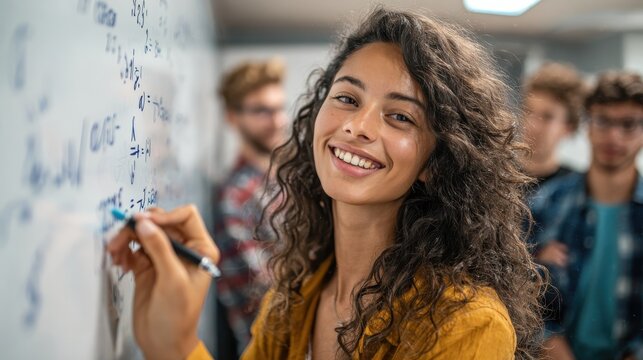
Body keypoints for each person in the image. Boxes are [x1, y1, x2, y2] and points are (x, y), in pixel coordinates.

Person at [108, 7, 545, 359]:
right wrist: (175, 344)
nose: (357, 126)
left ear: (436, 161)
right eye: (347, 99)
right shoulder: (294, 297)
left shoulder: (466, 323)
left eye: (400, 116)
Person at [530, 71, 643, 359]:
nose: (613, 136)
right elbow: (522, 296)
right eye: (602, 121)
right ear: (588, 125)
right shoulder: (546, 204)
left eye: (629, 125)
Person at [214, 58, 287, 357]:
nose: (278, 121)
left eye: (280, 108)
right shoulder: (235, 200)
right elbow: (262, 300)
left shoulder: (292, 178)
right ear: (233, 117)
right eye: (262, 111)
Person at [520, 62, 585, 193]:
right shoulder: (497, 179)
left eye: (547, 117)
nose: (533, 125)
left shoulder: (576, 189)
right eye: (528, 111)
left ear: (568, 128)